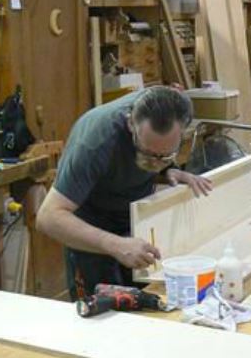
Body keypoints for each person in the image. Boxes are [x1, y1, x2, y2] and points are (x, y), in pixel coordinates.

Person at [36, 86, 213, 299]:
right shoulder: (95, 142)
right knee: (100, 317)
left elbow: (156, 153)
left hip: (134, 220)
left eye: (165, 154)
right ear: (130, 124)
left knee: (144, 305)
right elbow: (48, 217)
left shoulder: (176, 107)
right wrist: (115, 244)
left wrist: (168, 169)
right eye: (148, 153)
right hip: (90, 227)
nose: (156, 161)